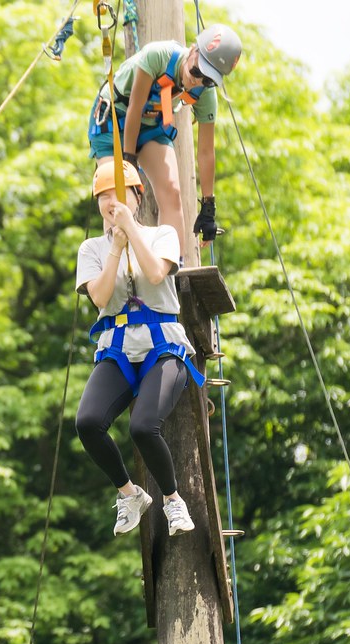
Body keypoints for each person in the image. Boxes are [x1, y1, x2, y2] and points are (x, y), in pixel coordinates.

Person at [74, 160, 206, 537]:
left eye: (118, 194)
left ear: (137, 196)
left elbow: (154, 274)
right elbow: (99, 297)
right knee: (87, 423)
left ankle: (172, 500)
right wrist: (116, 245)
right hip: (117, 346)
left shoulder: (163, 234)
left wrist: (131, 230)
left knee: (143, 426)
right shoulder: (92, 248)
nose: (110, 201)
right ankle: (129, 494)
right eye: (103, 196)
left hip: (162, 345)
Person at [87, 24, 242, 253]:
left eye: (208, 80)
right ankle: (116, 264)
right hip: (114, 122)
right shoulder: (158, 55)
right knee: (118, 194)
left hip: (150, 125)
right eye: (197, 71)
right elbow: (134, 109)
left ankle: (171, 266)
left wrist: (208, 206)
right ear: (192, 50)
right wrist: (129, 165)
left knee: (172, 189)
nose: (198, 82)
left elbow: (207, 151)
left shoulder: (206, 95)